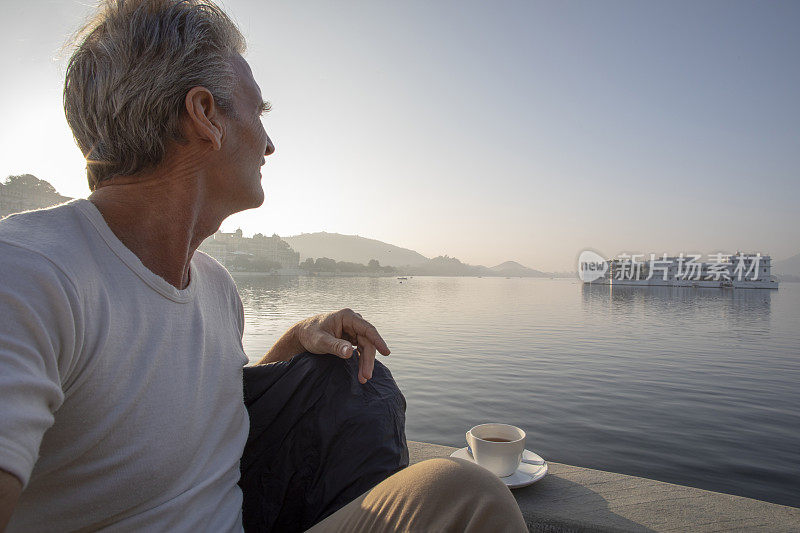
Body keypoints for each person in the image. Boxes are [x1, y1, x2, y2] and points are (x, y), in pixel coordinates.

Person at [0, 0, 527, 531]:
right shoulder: (29, 275)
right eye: (259, 111)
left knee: (461, 494)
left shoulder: (215, 288)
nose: (270, 143)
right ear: (205, 115)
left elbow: (192, 412)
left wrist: (296, 340)